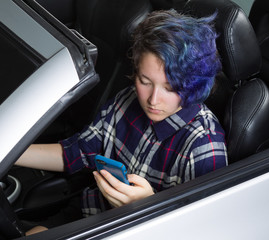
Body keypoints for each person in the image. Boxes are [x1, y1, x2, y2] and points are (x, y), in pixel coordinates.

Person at [16, 9, 227, 220]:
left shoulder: (203, 146)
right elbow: (76, 153)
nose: (152, 100)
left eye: (170, 88)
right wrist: (9, 151)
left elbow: (198, 227)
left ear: (194, 86)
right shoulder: (128, 100)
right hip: (90, 212)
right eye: (145, 81)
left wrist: (147, 207)